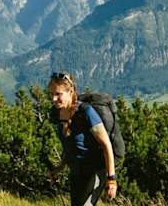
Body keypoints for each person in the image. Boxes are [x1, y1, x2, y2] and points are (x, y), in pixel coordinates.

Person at [47, 72, 118, 206]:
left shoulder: (86, 112)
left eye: (58, 94)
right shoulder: (57, 113)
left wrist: (111, 179)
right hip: (76, 171)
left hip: (94, 170)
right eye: (52, 94)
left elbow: (106, 145)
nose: (54, 99)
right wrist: (59, 168)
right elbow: (69, 146)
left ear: (70, 92)